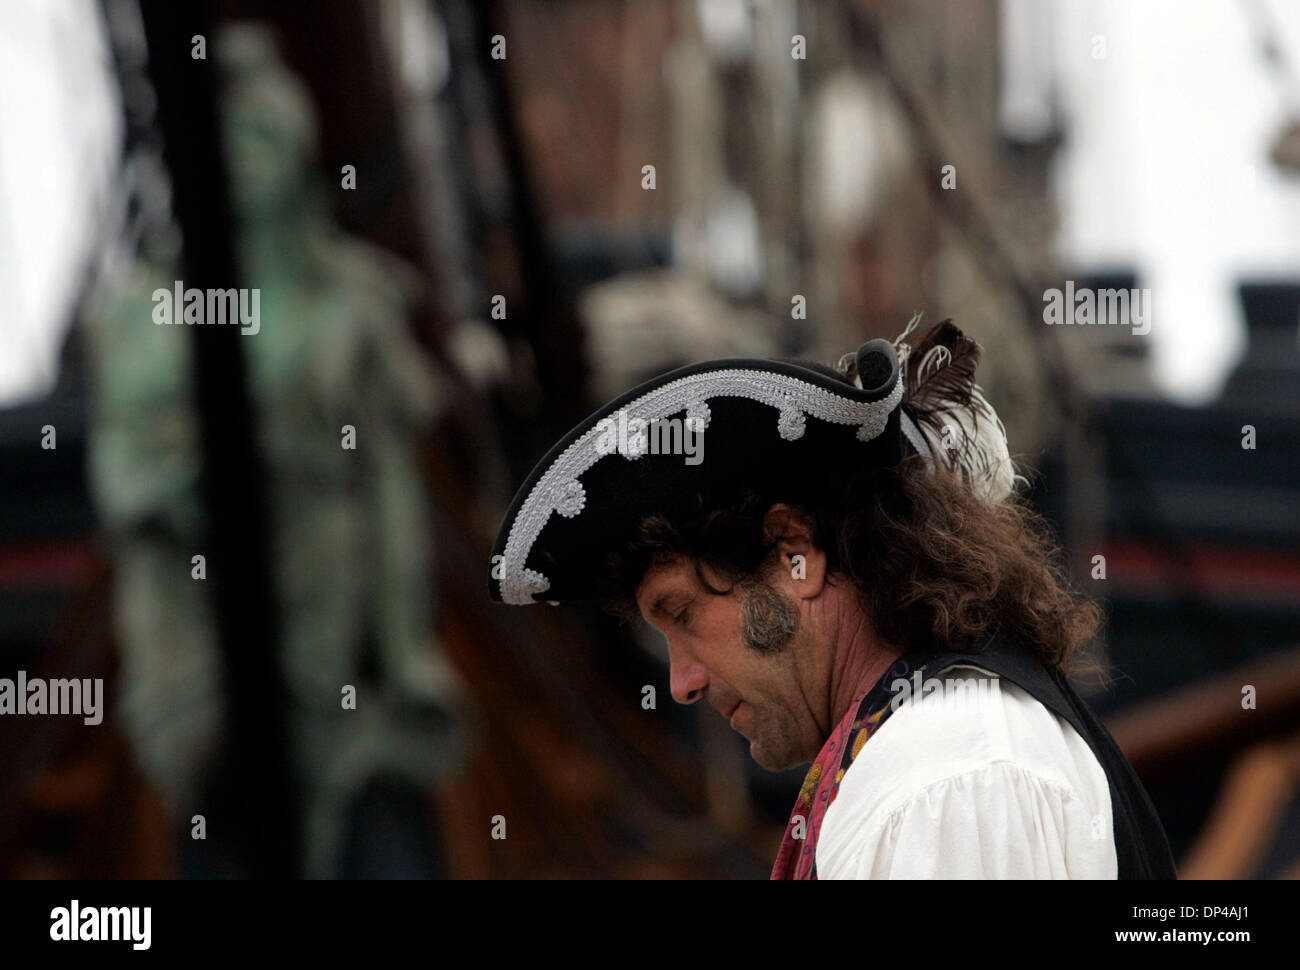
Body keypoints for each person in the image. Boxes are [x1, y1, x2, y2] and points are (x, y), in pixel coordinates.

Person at [488, 317, 1176, 879]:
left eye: (682, 613)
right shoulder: (932, 759)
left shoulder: (942, 779)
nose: (682, 682)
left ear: (797, 553)